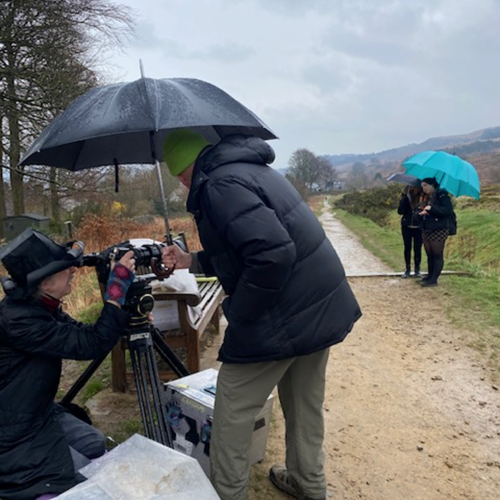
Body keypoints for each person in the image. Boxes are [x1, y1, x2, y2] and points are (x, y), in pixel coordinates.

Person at [160, 129, 362, 500]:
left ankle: (226, 494)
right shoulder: (250, 169)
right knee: (304, 401)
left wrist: (241, 313)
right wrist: (191, 261)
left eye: (180, 175)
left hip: (284, 309)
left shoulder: (218, 185)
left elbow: (272, 253)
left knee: (232, 410)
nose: (181, 184)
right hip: (319, 301)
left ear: (186, 170)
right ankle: (308, 482)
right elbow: (247, 246)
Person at [0, 228, 135, 500]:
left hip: (37, 412)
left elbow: (86, 334)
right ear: (45, 283)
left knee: (95, 444)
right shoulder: (20, 321)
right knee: (73, 483)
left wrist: (124, 312)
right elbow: (91, 345)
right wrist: (116, 289)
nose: (73, 270)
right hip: (13, 431)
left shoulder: (39, 307)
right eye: (65, 268)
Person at [417, 177, 454, 287]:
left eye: (425, 186)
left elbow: (447, 211)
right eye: (422, 186)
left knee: (437, 254)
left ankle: (434, 279)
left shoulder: (442, 195)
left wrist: (431, 209)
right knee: (429, 254)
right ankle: (430, 276)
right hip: (427, 227)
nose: (423, 188)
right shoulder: (427, 197)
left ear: (432, 185)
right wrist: (421, 213)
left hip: (439, 228)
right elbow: (422, 208)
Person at [397, 184, 423, 278]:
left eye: (416, 186)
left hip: (418, 226)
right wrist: (404, 199)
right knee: (407, 247)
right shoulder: (405, 197)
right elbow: (400, 211)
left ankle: (417, 269)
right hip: (406, 226)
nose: (415, 188)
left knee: (418, 248)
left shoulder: (423, 197)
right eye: (413, 186)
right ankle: (407, 269)